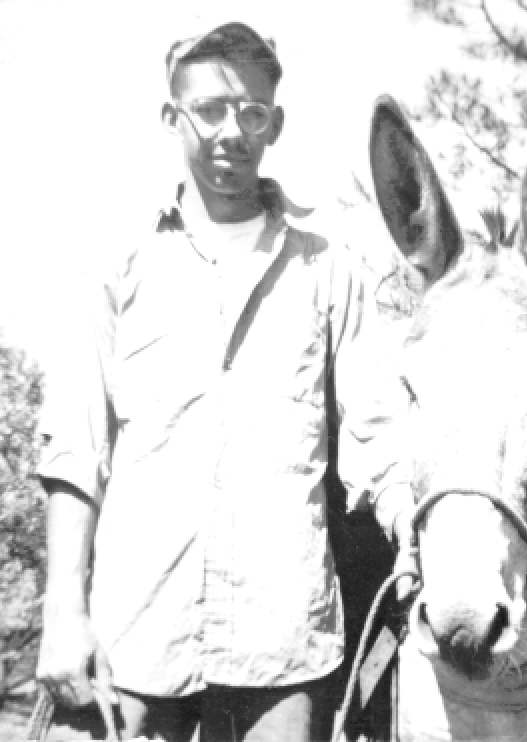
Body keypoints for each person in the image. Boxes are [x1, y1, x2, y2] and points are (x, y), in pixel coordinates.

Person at [35, 21, 415, 742]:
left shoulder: (331, 268)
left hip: (283, 652)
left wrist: (415, 530)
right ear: (171, 116)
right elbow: (75, 454)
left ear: (276, 124)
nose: (231, 132)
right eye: (208, 109)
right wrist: (63, 613)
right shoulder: (117, 262)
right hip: (133, 640)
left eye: (252, 113)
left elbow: (378, 440)